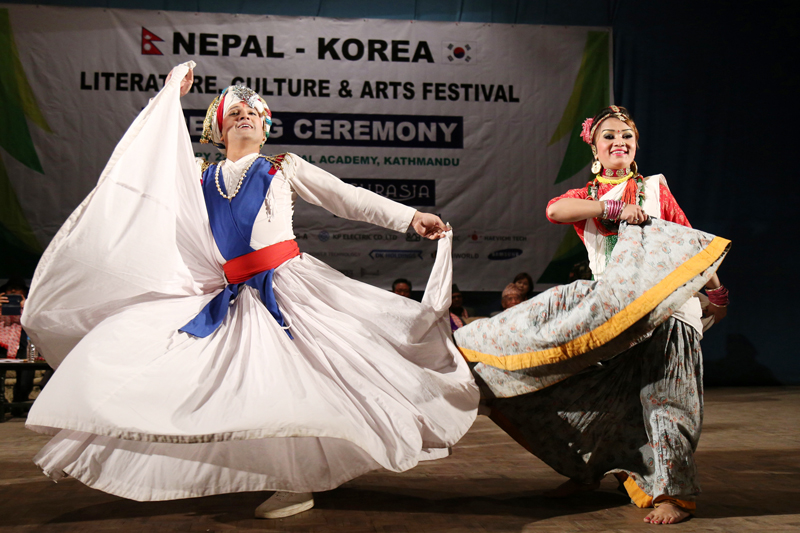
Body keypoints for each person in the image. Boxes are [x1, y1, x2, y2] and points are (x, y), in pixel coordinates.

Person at [22, 63, 478, 519]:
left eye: (253, 112)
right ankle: (114, 449)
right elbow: (145, 163)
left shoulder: (283, 167)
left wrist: (408, 217)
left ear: (265, 126)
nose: (244, 115)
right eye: (233, 111)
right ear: (217, 128)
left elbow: (347, 196)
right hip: (232, 295)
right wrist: (167, 98)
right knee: (220, 381)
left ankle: (296, 481)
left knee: (305, 380)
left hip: (292, 286)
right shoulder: (198, 175)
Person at [455, 105, 730, 525]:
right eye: (609, 137)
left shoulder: (656, 190)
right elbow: (555, 211)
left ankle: (671, 493)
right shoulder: (586, 198)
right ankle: (588, 471)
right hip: (607, 313)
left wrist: (717, 294)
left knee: (666, 400)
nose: (619, 142)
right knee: (585, 396)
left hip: (667, 309)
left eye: (627, 137)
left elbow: (689, 245)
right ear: (596, 151)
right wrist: (613, 210)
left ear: (635, 147)